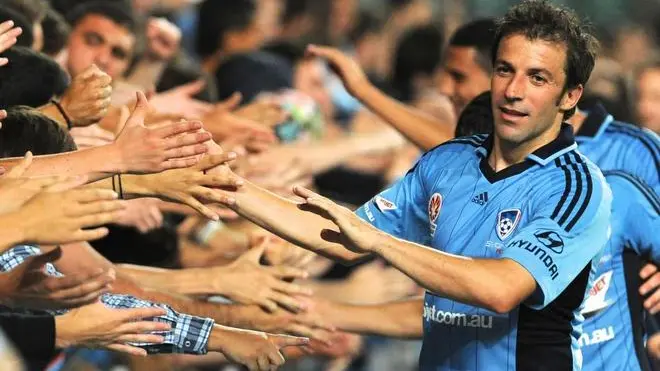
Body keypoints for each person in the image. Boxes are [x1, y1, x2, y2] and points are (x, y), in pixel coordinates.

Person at [216, 1, 612, 369]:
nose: (513, 91)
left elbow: (501, 288)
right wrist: (227, 186)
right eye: (505, 70)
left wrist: (380, 242)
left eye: (537, 78)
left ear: (570, 96)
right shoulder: (447, 160)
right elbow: (343, 237)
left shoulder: (575, 187)